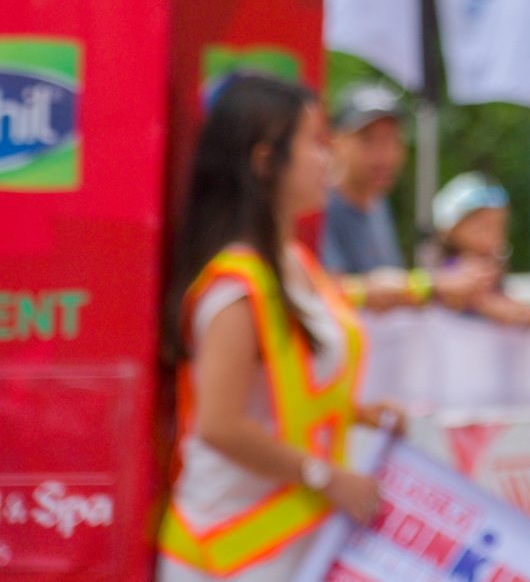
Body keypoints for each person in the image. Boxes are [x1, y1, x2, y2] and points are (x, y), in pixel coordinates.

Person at [158, 74, 401, 580]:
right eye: (314, 141)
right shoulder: (235, 288)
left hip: (292, 543)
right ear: (265, 161)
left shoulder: (295, 263)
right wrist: (323, 475)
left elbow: (277, 396)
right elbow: (221, 425)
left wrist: (356, 414)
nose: (328, 155)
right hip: (229, 550)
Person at [319, 84, 489, 312]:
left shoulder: (377, 203)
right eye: (368, 140)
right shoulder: (318, 207)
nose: (384, 155)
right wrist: (434, 285)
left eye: (392, 140)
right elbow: (328, 290)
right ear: (334, 141)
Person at [431, 173, 530, 326]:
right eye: (482, 227)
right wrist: (514, 314)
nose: (492, 236)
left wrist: (529, 313)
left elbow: (499, 300)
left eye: (499, 227)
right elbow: (478, 302)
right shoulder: (454, 271)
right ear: (452, 231)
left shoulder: (493, 269)